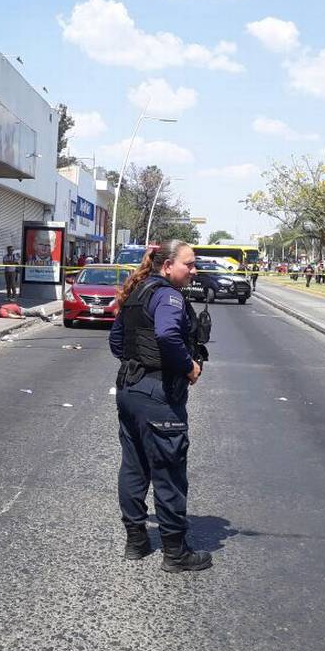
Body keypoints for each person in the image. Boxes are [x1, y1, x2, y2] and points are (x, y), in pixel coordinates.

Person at [109, 240, 211, 573]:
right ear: (167, 266)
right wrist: (188, 367)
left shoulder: (137, 291)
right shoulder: (167, 296)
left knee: (134, 467)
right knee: (168, 474)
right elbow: (168, 336)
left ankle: (136, 542)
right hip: (158, 396)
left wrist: (140, 360)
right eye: (189, 264)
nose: (193, 270)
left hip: (130, 390)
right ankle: (175, 552)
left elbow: (116, 342)